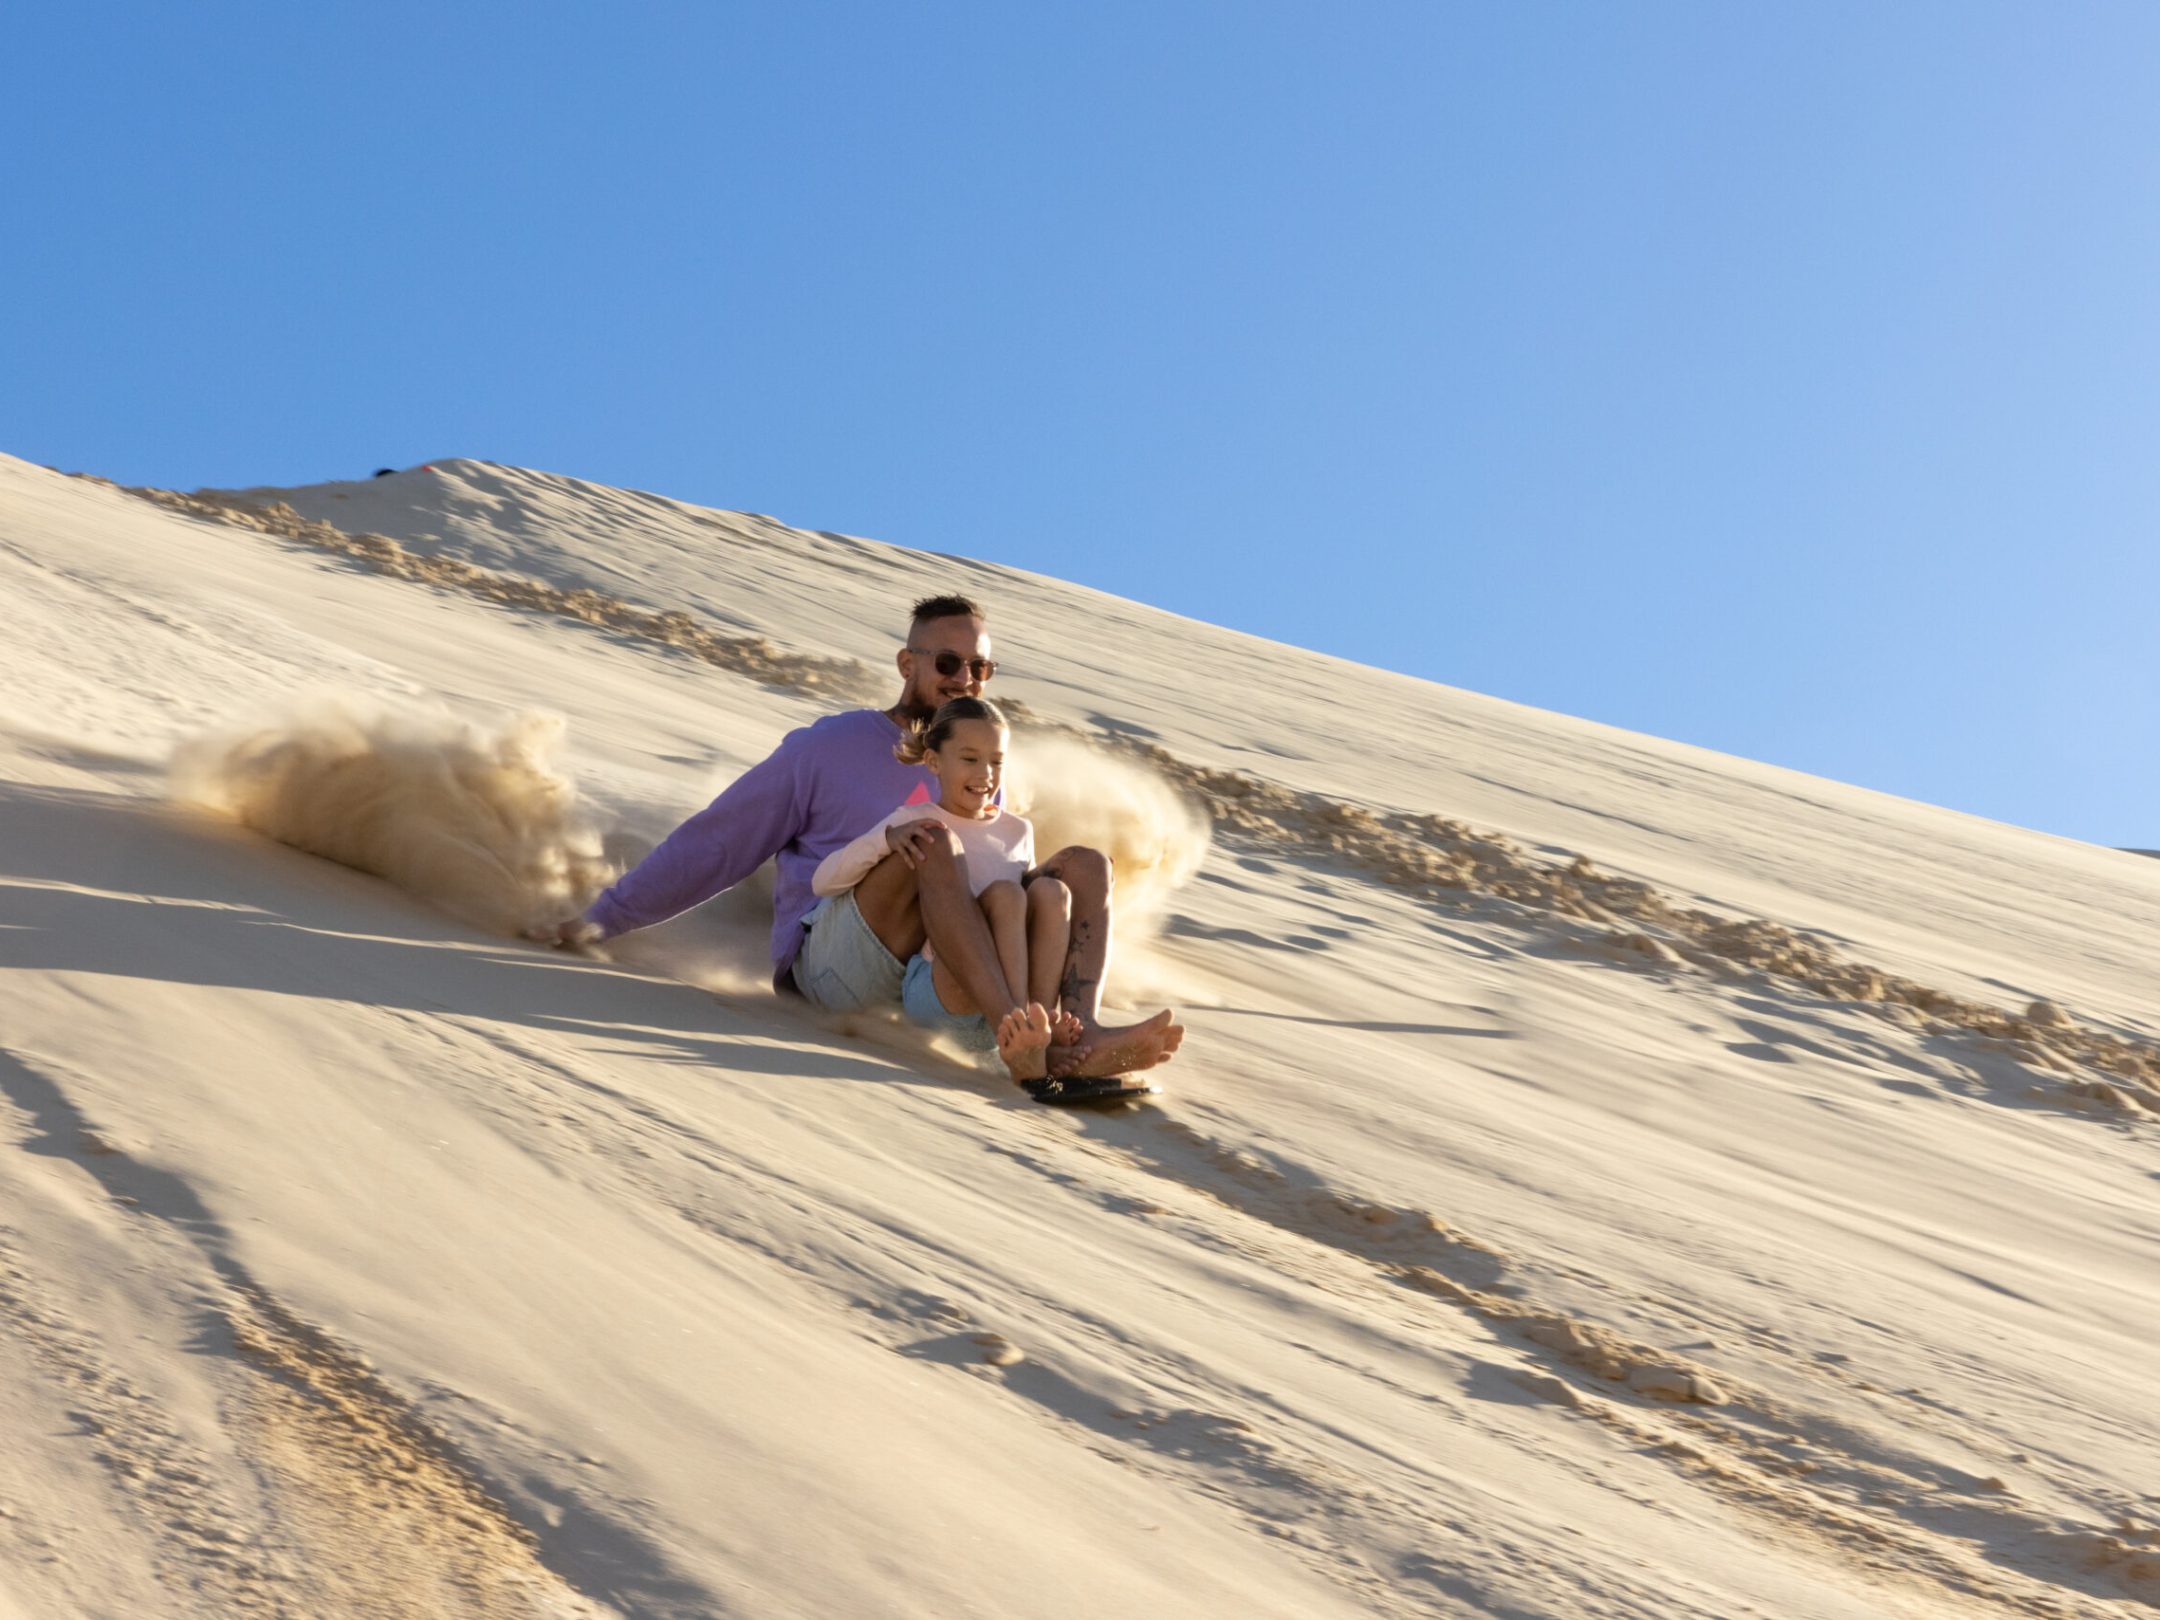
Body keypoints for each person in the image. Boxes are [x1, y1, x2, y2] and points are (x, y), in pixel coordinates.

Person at [531, 594, 1182, 1091]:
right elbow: (721, 841)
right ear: (908, 664)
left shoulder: (977, 768)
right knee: (931, 841)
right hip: (832, 967)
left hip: (938, 975)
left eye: (979, 666)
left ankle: (1071, 1035)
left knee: (1080, 865)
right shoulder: (828, 748)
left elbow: (995, 883)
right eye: (948, 663)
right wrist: (601, 919)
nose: (965, 679)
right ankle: (1021, 1034)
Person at [811, 696, 1078, 1079]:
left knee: (1047, 893)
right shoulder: (915, 820)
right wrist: (887, 839)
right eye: (970, 759)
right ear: (934, 762)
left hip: (996, 987)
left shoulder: (1019, 831)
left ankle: (1036, 1022)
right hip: (941, 975)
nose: (986, 773)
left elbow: (1022, 919)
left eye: (997, 761)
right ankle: (1021, 1031)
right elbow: (823, 881)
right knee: (1004, 894)